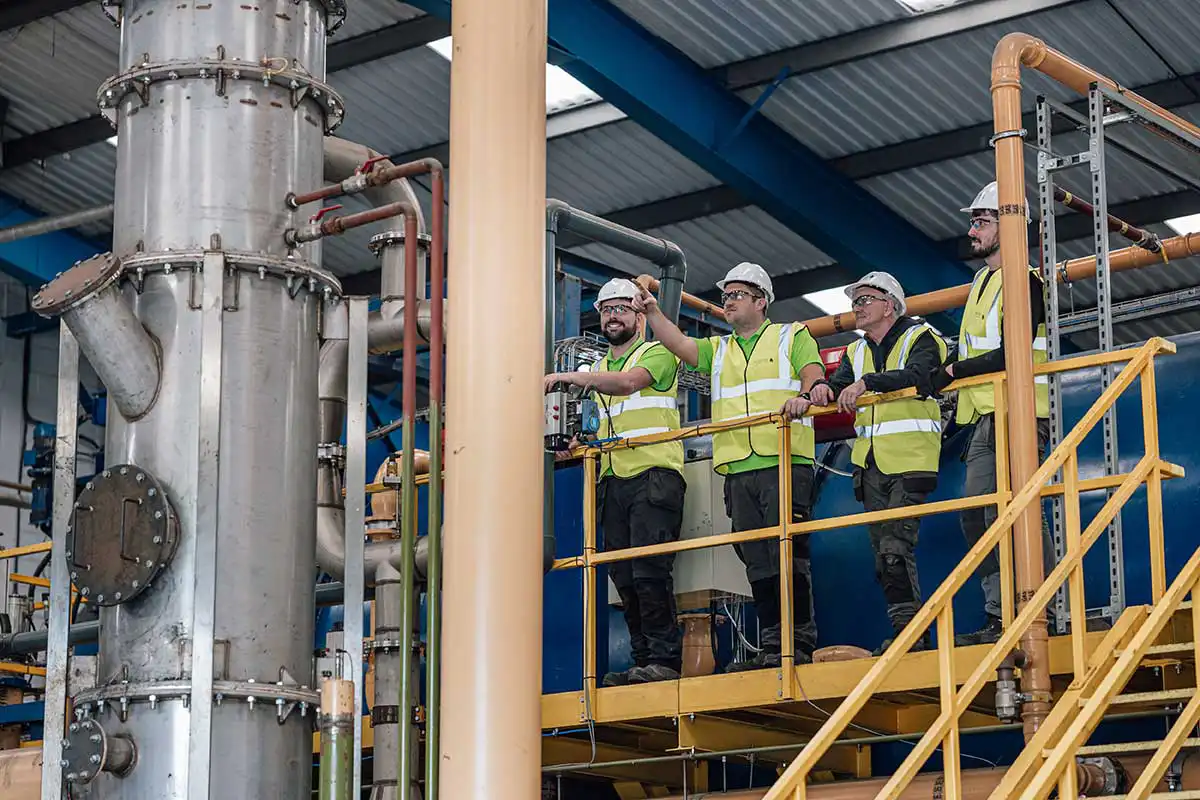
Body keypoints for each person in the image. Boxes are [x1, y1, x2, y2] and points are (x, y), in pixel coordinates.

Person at [633, 262, 830, 669]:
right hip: (738, 467)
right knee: (755, 557)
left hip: (783, 459)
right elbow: (681, 345)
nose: (728, 302)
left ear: (761, 301)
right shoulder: (719, 349)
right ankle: (775, 642)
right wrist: (652, 312)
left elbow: (813, 371)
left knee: (787, 553)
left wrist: (807, 394)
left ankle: (799, 642)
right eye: (725, 296)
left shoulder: (791, 336)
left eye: (737, 295)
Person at [931, 181, 1056, 646]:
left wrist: (952, 369)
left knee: (1016, 513)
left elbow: (1012, 351)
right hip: (987, 414)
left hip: (1018, 410)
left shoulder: (1025, 280)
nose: (971, 231)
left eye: (980, 222)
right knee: (980, 514)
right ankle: (1004, 611)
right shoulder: (983, 282)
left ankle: (1037, 610)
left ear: (1010, 225)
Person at [545, 278, 687, 685]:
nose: (612, 316)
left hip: (654, 475)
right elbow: (599, 422)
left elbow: (629, 384)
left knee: (649, 571)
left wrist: (570, 379)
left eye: (621, 308)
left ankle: (664, 660)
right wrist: (573, 443)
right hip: (612, 479)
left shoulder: (658, 353)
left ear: (639, 316)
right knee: (622, 575)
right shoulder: (599, 369)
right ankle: (644, 659)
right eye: (606, 309)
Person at [824, 272, 947, 656]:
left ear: (889, 304)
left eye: (864, 300)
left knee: (895, 547)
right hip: (871, 466)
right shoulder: (855, 351)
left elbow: (919, 374)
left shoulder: (921, 337)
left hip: (911, 461)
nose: (856, 308)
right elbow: (834, 387)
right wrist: (811, 391)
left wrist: (867, 384)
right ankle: (905, 631)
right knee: (884, 556)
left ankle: (911, 635)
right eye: (855, 301)